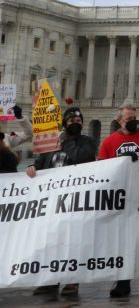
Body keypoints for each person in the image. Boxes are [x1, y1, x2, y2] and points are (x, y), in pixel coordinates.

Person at [23, 107, 98, 296]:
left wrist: (66, 142)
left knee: (72, 241)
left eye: (79, 121)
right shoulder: (52, 142)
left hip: (75, 201)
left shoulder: (87, 142)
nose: (76, 123)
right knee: (51, 241)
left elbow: (82, 157)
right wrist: (32, 167)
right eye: (72, 121)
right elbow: (40, 163)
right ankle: (51, 280)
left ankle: (72, 281)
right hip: (52, 202)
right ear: (65, 122)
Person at [97, 104, 139, 297]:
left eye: (135, 117)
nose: (133, 121)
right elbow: (102, 171)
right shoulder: (109, 142)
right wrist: (120, 161)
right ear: (119, 121)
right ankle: (123, 279)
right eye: (129, 119)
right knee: (121, 238)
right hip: (119, 199)